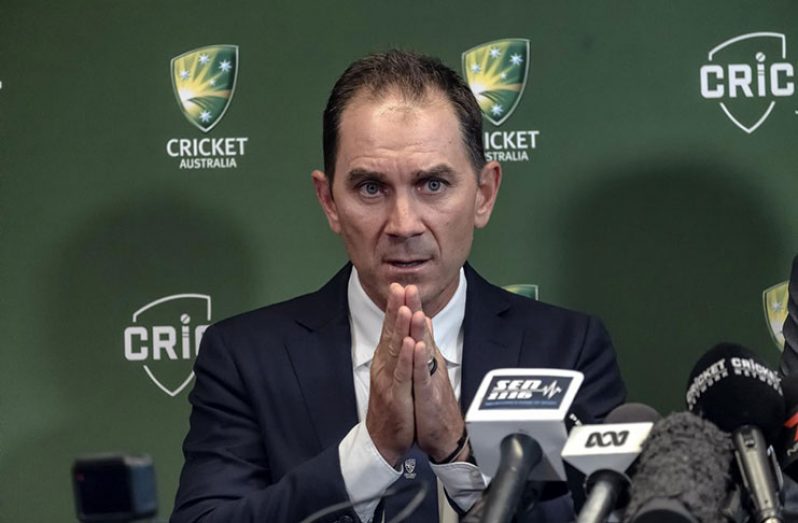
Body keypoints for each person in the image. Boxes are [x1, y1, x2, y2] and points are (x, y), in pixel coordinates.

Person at [171, 49, 626, 523]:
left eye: (432, 184)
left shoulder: (565, 349)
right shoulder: (244, 357)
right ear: (329, 201)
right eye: (371, 187)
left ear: (483, 195)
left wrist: (458, 457)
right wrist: (370, 452)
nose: (403, 224)